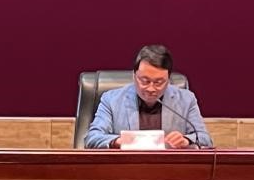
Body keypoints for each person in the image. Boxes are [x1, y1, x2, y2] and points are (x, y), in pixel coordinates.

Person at [83, 44, 212, 149]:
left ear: (168, 79)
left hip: (170, 168)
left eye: (158, 82)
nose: (151, 88)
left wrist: (186, 140)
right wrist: (116, 141)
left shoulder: (186, 100)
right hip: (127, 168)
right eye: (144, 81)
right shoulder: (111, 100)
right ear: (134, 76)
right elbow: (92, 138)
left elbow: (205, 139)